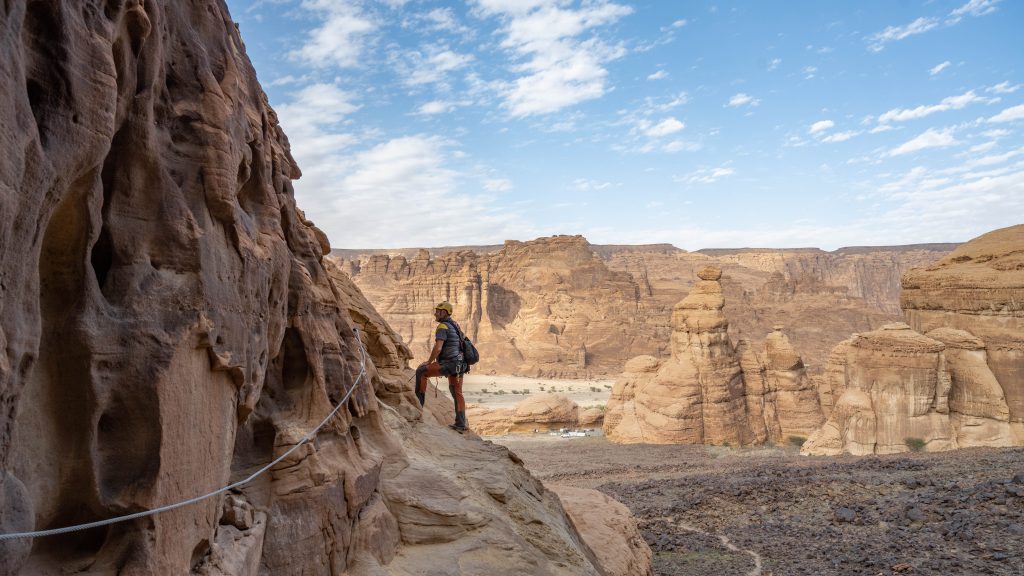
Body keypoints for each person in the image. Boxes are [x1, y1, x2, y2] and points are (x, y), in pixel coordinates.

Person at [415, 301, 468, 431]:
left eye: (437, 311)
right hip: (460, 365)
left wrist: (429, 361)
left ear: (444, 312)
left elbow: (438, 348)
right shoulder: (455, 325)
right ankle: (461, 424)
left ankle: (417, 410)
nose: (435, 313)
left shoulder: (443, 327)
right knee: (457, 392)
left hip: (449, 364)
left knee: (421, 372)